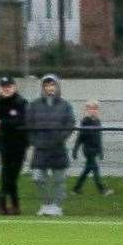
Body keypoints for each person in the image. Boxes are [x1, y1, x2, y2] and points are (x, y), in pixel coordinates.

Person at [26, 74, 75, 217]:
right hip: (40, 148)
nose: (50, 88)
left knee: (59, 180)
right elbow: (29, 125)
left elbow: (70, 124)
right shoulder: (34, 105)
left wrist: (60, 138)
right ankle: (46, 204)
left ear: (57, 86)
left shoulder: (65, 105)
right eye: (46, 85)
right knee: (37, 177)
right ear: (43, 87)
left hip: (58, 147)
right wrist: (35, 141)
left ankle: (57, 207)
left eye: (52, 85)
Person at [0, 76, 30, 216]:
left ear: (14, 87)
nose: (6, 89)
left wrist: (1, 123)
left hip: (19, 144)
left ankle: (1, 196)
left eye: (9, 86)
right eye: (4, 87)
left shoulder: (21, 102)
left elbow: (21, 120)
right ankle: (13, 206)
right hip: (3, 144)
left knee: (12, 175)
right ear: (0, 88)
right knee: (7, 175)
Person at [72, 100, 109, 196]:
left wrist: (100, 151)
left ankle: (76, 188)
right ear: (87, 110)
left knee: (87, 169)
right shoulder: (85, 121)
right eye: (91, 109)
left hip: (95, 149)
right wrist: (75, 150)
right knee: (95, 169)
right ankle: (102, 190)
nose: (93, 111)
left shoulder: (97, 122)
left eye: (95, 108)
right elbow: (80, 137)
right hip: (88, 150)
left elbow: (99, 138)